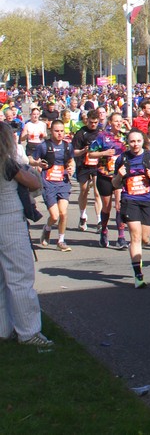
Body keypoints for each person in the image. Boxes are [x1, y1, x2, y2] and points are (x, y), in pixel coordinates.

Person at [0, 123, 51, 349]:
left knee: (1, 280)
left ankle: (3, 329)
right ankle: (29, 332)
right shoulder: (8, 163)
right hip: (9, 219)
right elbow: (33, 183)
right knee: (20, 277)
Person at [115, 129, 150, 288]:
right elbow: (115, 183)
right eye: (132, 141)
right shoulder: (122, 158)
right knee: (135, 236)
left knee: (145, 239)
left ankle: (138, 259)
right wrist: (119, 175)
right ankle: (138, 275)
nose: (135, 144)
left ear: (143, 141)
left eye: (138, 141)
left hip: (147, 200)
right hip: (129, 200)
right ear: (127, 143)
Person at [32, 119, 75, 251]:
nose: (59, 133)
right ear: (51, 131)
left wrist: (71, 168)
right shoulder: (44, 146)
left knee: (63, 213)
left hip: (63, 183)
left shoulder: (68, 146)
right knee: (55, 216)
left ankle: (61, 241)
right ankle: (47, 228)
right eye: (56, 131)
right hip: (48, 184)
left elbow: (71, 160)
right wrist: (38, 164)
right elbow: (31, 159)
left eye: (62, 131)